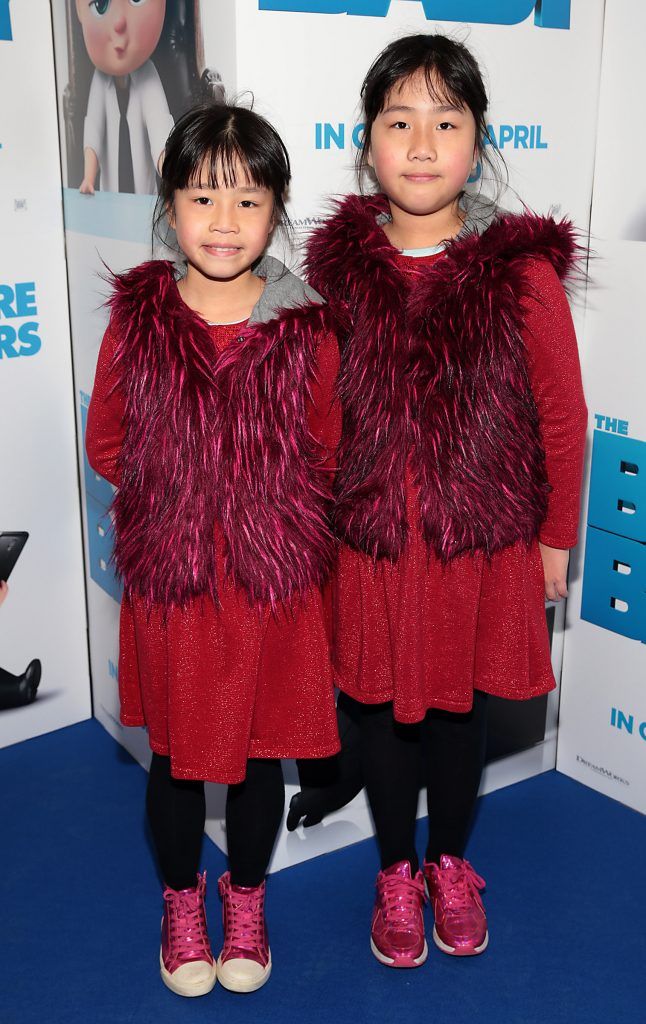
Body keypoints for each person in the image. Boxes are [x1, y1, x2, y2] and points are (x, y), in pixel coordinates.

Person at [306, 33, 588, 969]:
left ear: (477, 143)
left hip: (480, 547)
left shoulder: (522, 274)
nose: (421, 144)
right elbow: (317, 419)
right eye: (399, 122)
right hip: (376, 549)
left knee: (461, 714)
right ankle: (396, 870)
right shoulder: (338, 275)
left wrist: (556, 540)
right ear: (368, 143)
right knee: (385, 715)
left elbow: (563, 416)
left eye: (445, 121)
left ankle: (453, 864)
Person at [85, 103, 341, 997]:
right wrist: (184, 500)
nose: (224, 222)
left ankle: (248, 899)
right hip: (180, 585)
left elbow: (327, 445)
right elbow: (106, 441)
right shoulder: (141, 319)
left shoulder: (306, 326)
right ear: (169, 207)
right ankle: (181, 901)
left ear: (277, 211)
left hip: (271, 585)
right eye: (202, 197)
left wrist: (263, 513)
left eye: (248, 199)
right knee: (178, 760)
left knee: (263, 752)